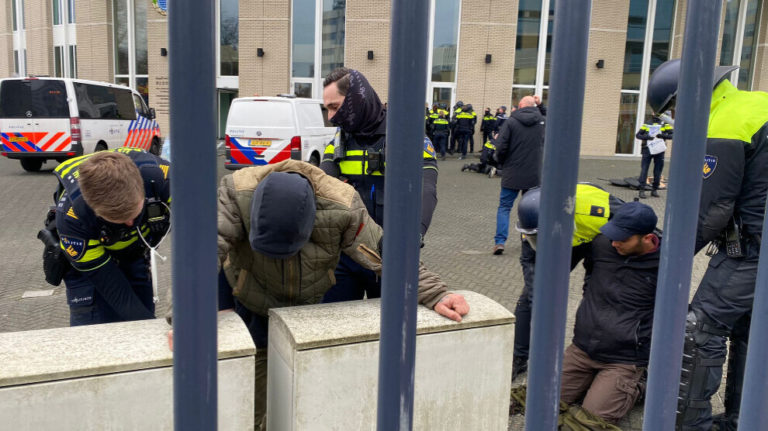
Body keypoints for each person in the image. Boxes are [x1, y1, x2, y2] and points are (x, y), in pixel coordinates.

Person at [215, 160, 470, 429]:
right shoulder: (235, 191)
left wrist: (436, 293)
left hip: (307, 311)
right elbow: (205, 246)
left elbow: (384, 252)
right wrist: (189, 311)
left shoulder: (342, 205)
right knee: (256, 395)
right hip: (253, 305)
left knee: (307, 392)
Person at [647, 59, 768, 431]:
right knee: (750, 330)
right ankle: (742, 419)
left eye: (671, 111)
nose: (673, 120)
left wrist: (667, 257)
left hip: (751, 250)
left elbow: (711, 210)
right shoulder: (756, 103)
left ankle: (692, 425)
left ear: (684, 99)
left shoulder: (723, 123)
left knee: (699, 329)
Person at [320, 67, 439, 301]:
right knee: (336, 327)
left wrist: (413, 235)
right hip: (345, 255)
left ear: (356, 99)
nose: (331, 117)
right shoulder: (340, 139)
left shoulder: (407, 135)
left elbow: (427, 189)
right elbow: (322, 184)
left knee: (388, 331)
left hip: (389, 256)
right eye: (327, 109)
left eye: (335, 107)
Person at [558, 202, 661, 425]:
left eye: (623, 239)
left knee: (587, 425)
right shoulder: (603, 244)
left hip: (623, 359)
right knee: (541, 403)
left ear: (646, 238)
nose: (614, 243)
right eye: (612, 235)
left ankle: (638, 385)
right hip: (582, 348)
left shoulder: (665, 261)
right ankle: (597, 385)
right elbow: (590, 276)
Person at [511, 183, 625, 379]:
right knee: (528, 300)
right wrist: (538, 300)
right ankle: (518, 356)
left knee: (595, 297)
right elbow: (530, 261)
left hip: (596, 241)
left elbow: (636, 223)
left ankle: (587, 355)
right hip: (565, 244)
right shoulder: (530, 221)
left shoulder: (601, 209)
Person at [48, 148, 171, 326]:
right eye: (118, 220)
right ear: (93, 208)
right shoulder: (72, 218)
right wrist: (147, 328)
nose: (130, 223)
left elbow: (198, 243)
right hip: (91, 261)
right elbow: (113, 288)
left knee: (142, 307)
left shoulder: (167, 181)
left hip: (136, 252)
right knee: (94, 330)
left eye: (135, 213)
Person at [492, 95, 545, 255]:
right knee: (532, 208)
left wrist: (500, 162)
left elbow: (501, 147)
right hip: (534, 174)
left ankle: (500, 242)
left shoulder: (511, 122)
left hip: (512, 173)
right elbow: (552, 117)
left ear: (520, 106)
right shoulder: (542, 121)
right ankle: (528, 239)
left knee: (504, 207)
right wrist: (541, 105)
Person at [635, 115, 672, 198]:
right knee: (644, 170)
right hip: (647, 149)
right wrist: (647, 137)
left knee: (658, 171)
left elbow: (672, 135)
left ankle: (654, 189)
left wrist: (662, 136)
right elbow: (638, 135)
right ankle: (642, 190)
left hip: (659, 150)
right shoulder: (647, 123)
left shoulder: (665, 123)